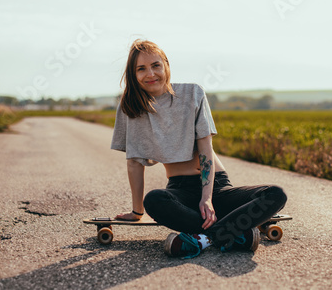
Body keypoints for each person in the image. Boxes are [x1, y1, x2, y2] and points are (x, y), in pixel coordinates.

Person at [111, 39, 287, 258]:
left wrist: (207, 198)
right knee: (154, 200)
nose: (151, 73)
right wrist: (138, 212)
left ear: (166, 65)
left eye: (156, 65)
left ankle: (203, 238)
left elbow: (205, 148)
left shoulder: (192, 93)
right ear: (133, 74)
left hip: (216, 187)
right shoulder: (131, 107)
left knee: (275, 195)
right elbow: (134, 162)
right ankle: (231, 233)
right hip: (180, 193)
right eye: (141, 68)